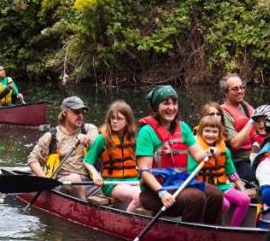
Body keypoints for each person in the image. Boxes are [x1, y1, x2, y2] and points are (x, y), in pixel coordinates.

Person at [135, 85, 224, 225]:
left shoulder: (183, 127)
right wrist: (161, 192)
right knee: (196, 197)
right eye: (166, 103)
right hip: (154, 192)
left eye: (174, 103)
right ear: (156, 107)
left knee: (216, 195)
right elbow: (144, 171)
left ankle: (210, 234)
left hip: (180, 184)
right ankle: (190, 237)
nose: (171, 107)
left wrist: (210, 151)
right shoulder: (146, 132)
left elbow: (199, 156)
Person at [27, 96, 98, 196]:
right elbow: (32, 158)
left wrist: (88, 139)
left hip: (88, 182)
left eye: (82, 112)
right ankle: (84, 208)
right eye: (76, 112)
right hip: (62, 183)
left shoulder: (89, 129)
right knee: (74, 178)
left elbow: (97, 143)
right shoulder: (52, 136)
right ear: (65, 112)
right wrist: (45, 179)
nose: (80, 116)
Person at [191, 113, 251, 226]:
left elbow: (231, 173)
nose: (210, 135)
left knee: (245, 200)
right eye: (207, 131)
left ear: (219, 134)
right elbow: (190, 171)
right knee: (225, 204)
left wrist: (242, 189)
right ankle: (211, 226)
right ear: (200, 132)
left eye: (214, 132)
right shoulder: (196, 150)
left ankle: (233, 230)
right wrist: (206, 156)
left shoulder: (225, 151)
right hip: (205, 188)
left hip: (222, 186)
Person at [84, 99, 144, 211]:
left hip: (133, 181)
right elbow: (87, 161)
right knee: (139, 196)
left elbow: (141, 162)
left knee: (155, 194)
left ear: (127, 121)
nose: (115, 121)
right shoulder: (102, 139)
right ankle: (128, 221)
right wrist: (95, 175)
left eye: (119, 118)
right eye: (113, 118)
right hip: (112, 183)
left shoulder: (133, 139)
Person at [219, 73, 263, 183]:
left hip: (255, 155)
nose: (240, 91)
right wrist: (252, 121)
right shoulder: (223, 112)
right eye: (235, 89)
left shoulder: (245, 107)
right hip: (238, 161)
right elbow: (235, 144)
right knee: (260, 176)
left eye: (242, 87)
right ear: (226, 92)